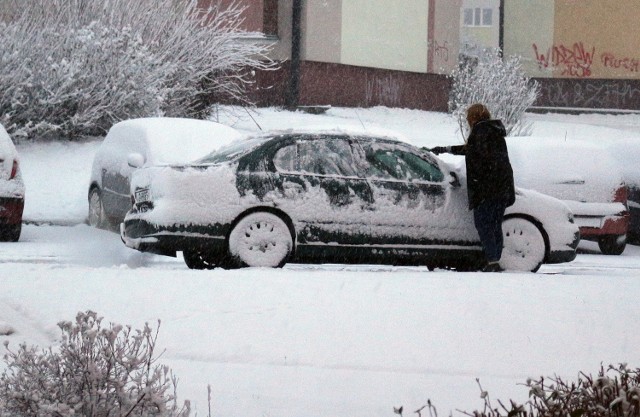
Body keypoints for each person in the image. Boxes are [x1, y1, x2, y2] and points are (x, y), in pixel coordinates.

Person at [429, 104, 515, 272]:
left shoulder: (480, 132)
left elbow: (475, 154)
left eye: (469, 117)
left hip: (487, 190)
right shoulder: (493, 132)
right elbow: (473, 151)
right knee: (495, 224)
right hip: (502, 188)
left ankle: (492, 261)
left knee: (484, 224)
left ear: (473, 118)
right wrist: (446, 149)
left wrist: (481, 184)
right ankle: (494, 259)